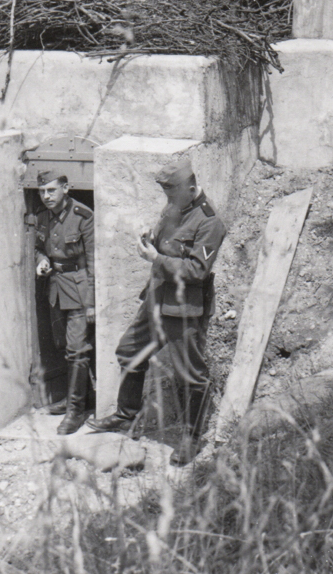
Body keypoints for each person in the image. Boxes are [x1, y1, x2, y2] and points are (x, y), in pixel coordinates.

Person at [87, 157, 226, 466]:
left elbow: (197, 269)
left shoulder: (209, 221)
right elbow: (168, 244)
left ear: (190, 188)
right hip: (156, 299)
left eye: (171, 194)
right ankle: (127, 417)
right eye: (166, 194)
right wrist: (149, 240)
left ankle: (191, 438)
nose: (167, 201)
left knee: (190, 374)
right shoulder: (176, 206)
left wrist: (155, 259)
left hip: (183, 308)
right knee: (128, 352)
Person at [34, 171, 94, 435]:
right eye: (42, 191)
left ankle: (75, 411)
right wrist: (41, 260)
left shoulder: (83, 215)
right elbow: (38, 246)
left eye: (51, 190)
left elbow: (93, 261)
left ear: (66, 188)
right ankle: (80, 399)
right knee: (64, 347)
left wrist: (91, 303)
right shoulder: (42, 216)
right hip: (56, 288)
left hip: (80, 290)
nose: (46, 196)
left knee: (77, 350)